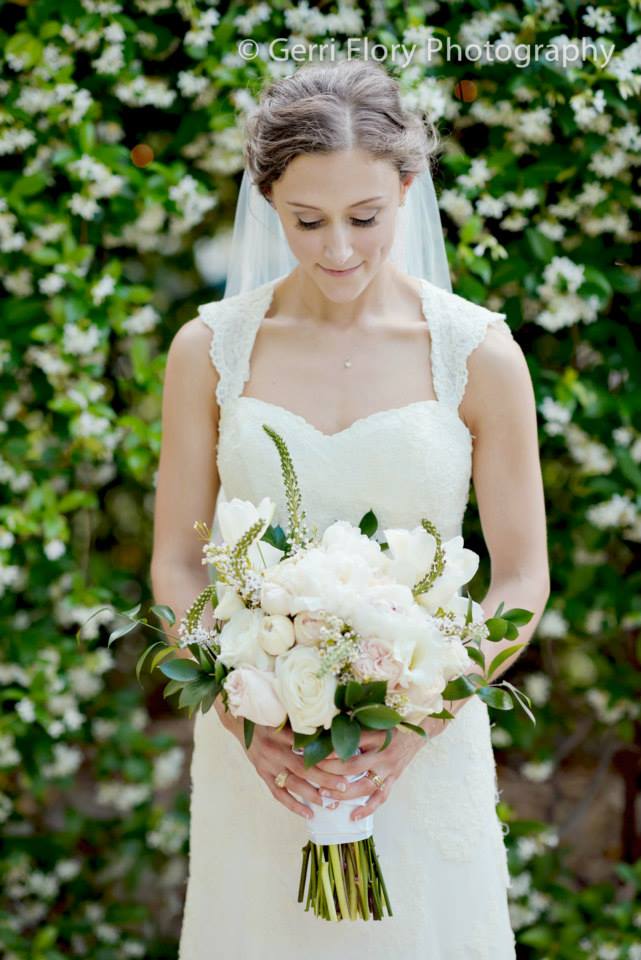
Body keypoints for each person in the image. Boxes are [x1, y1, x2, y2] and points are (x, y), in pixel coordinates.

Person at [151, 58, 550, 959]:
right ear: (267, 200)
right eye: (307, 220)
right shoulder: (207, 351)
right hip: (260, 757)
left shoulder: (478, 354)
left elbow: (522, 576)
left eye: (364, 218)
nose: (337, 248)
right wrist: (245, 718)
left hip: (421, 752)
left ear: (407, 187)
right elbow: (176, 562)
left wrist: (421, 720)